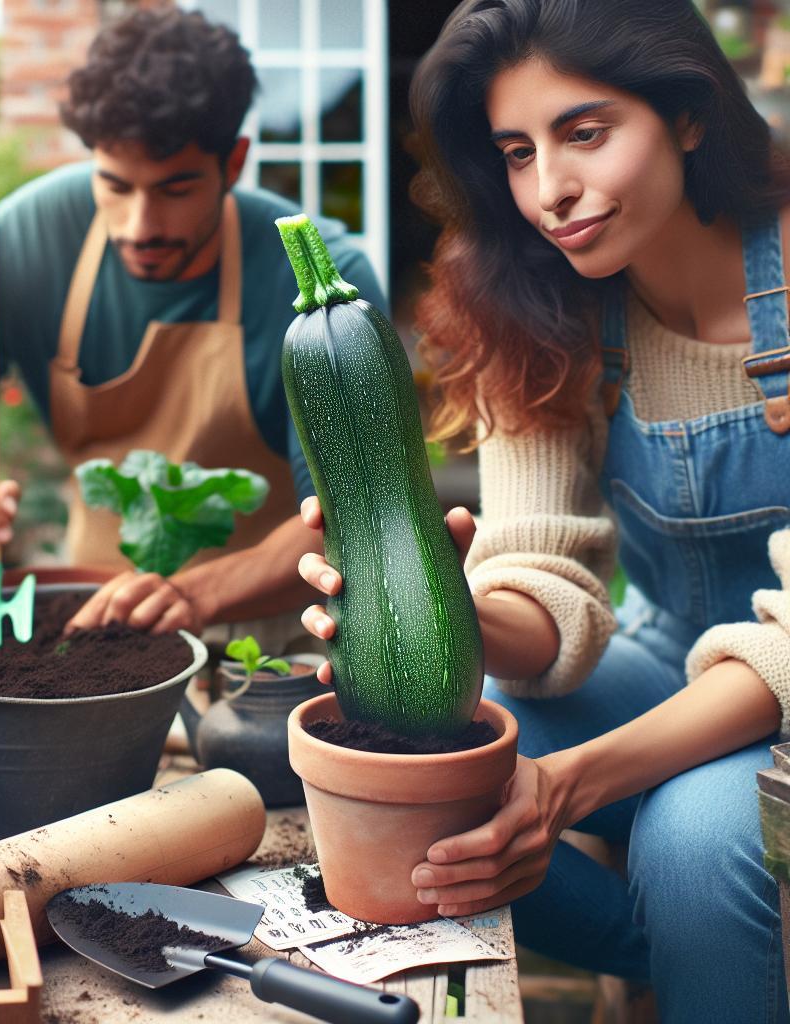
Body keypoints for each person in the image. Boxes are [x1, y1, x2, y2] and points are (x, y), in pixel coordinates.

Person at [297, 1, 790, 1020]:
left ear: (687, 115)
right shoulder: (536, 306)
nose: (549, 191)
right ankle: (693, 965)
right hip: (671, 651)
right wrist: (435, 605)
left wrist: (568, 782)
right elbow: (539, 581)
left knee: (690, 836)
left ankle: (700, 946)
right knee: (412, 751)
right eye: (517, 152)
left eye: (585, 133)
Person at [0, 7, 385, 650]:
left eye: (176, 189)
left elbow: (355, 518)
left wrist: (195, 592)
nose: (140, 225)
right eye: (114, 184)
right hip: (93, 628)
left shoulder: (318, 281)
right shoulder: (4, 251)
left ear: (235, 163)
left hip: (279, 641)